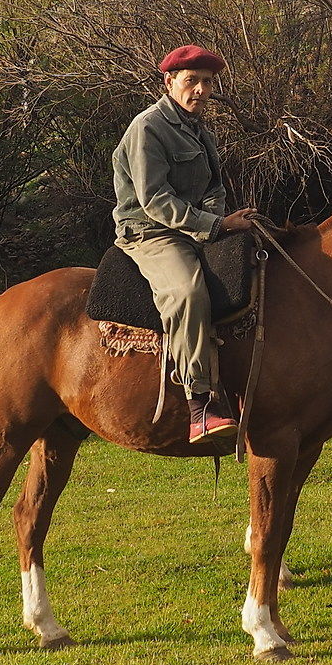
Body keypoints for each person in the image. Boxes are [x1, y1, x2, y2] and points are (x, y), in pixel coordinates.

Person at [111, 45, 258, 443]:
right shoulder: (148, 128)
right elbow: (155, 200)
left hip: (194, 228)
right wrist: (214, 224)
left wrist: (222, 221)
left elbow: (214, 186)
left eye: (207, 82)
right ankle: (201, 403)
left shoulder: (198, 130)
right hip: (151, 232)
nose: (200, 89)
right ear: (169, 81)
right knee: (188, 292)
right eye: (191, 81)